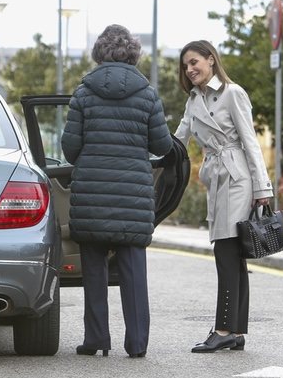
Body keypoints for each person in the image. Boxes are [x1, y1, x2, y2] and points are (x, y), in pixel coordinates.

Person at [61, 24, 173, 358]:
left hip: (92, 195)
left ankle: (96, 339)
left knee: (93, 271)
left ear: (99, 53)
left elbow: (69, 149)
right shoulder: (147, 94)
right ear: (134, 54)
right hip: (132, 197)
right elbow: (162, 146)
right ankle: (137, 343)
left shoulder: (83, 93)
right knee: (134, 273)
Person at [174, 40, 273, 353]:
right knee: (232, 254)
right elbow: (176, 142)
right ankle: (236, 331)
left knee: (227, 252)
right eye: (186, 65)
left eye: (194, 62)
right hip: (216, 178)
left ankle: (223, 329)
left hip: (236, 177)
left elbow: (250, 142)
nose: (190, 70)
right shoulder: (193, 100)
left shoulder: (233, 93)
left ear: (211, 60)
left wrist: (263, 188)